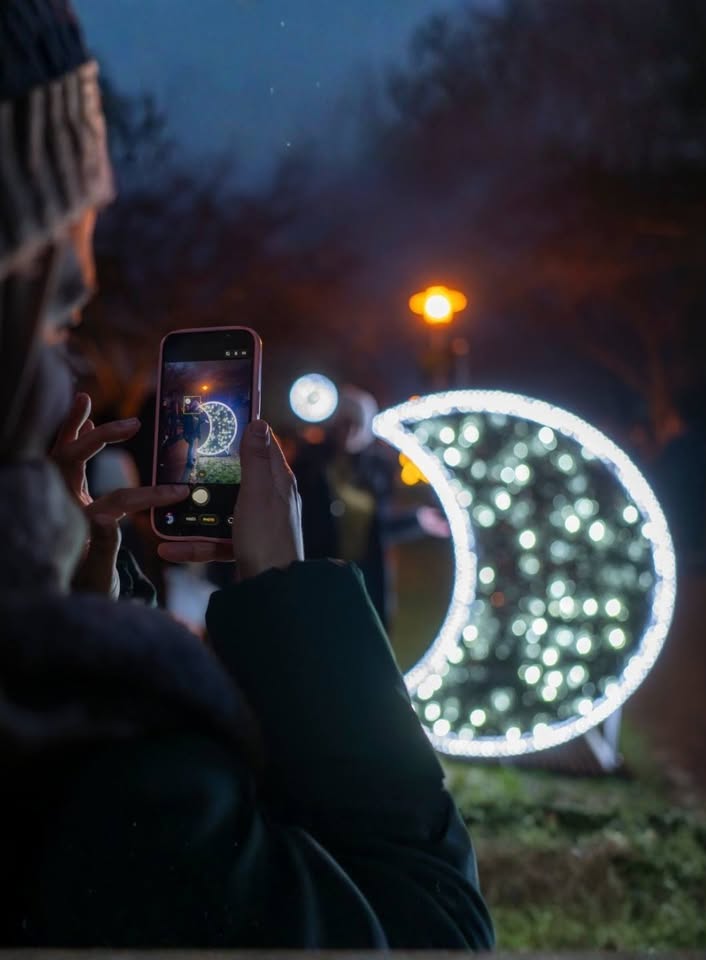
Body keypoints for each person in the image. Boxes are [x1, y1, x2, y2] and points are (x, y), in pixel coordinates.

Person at [0, 2, 493, 949]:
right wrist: (286, 589)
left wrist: (82, 595)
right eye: (59, 320)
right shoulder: (75, 756)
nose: (65, 375)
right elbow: (432, 931)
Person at [293, 386, 450, 627]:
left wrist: (417, 520)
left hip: (362, 581)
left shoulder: (375, 472)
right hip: (319, 578)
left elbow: (378, 529)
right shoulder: (310, 467)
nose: (349, 430)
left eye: (356, 423)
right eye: (344, 422)